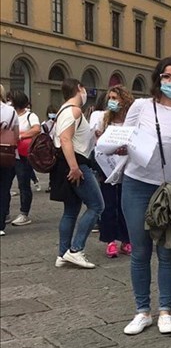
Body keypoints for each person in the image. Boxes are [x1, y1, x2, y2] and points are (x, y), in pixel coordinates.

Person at [121, 57, 171, 335]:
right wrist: (118, 145)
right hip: (137, 183)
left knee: (166, 250)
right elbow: (125, 136)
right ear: (158, 79)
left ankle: (166, 310)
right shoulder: (142, 106)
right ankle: (142, 311)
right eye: (167, 76)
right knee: (139, 251)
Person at [51, 79, 105, 269]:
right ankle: (75, 250)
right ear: (79, 89)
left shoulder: (63, 110)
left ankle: (63, 253)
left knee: (71, 210)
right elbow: (65, 139)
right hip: (76, 163)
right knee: (97, 206)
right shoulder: (73, 110)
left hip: (68, 162)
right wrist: (74, 167)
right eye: (84, 89)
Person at [97, 85, 133, 258]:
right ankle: (110, 240)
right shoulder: (104, 118)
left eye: (115, 98)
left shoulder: (131, 119)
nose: (111, 101)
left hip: (127, 166)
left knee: (126, 205)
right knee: (108, 204)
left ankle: (127, 240)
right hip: (107, 166)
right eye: (109, 98)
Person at [9, 91, 40, 227]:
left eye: (11, 100)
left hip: (23, 155)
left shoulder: (30, 115)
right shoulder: (11, 115)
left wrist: (21, 136)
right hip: (9, 154)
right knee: (5, 184)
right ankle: (5, 212)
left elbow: (36, 129)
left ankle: (24, 213)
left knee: (23, 184)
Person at [0, 84, 19, 237]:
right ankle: (1, 223)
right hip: (5, 153)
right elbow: (16, 135)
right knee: (4, 188)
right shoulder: (10, 111)